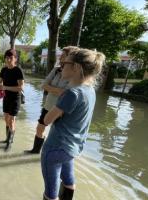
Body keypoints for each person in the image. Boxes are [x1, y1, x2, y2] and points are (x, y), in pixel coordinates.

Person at [40, 48, 105, 200]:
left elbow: (47, 120)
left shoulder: (72, 93)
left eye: (65, 63)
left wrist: (58, 103)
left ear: (76, 67)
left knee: (51, 192)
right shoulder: (90, 91)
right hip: (72, 149)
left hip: (55, 148)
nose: (61, 65)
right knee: (68, 180)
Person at [25, 46, 79, 154]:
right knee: (40, 128)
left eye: (63, 56)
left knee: (56, 134)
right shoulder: (55, 70)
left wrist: (52, 89)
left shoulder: (75, 75)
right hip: (48, 106)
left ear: (70, 59)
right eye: (60, 56)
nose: (60, 58)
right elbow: (43, 85)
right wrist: (59, 91)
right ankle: (36, 151)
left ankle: (50, 154)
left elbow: (67, 93)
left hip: (62, 111)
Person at [0, 49, 24, 151]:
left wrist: (5, 87)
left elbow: (21, 88)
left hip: (15, 99)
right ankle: (7, 138)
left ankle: (9, 143)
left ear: (15, 59)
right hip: (6, 98)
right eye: (7, 58)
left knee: (11, 121)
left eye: (11, 58)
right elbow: (0, 82)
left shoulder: (18, 70)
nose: (8, 60)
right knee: (6, 119)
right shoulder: (4, 70)